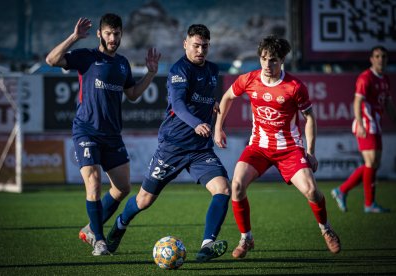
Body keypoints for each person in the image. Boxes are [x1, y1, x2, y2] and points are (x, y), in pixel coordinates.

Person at [105, 24, 231, 262]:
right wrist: (196, 122)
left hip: (200, 149)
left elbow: (211, 100)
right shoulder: (179, 70)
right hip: (172, 147)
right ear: (185, 44)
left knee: (223, 189)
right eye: (196, 45)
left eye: (204, 46)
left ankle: (207, 245)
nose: (200, 50)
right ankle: (120, 225)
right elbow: (180, 105)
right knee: (144, 200)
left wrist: (215, 117)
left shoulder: (213, 70)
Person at [214, 35, 341, 259]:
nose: (267, 65)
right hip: (259, 148)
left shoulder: (294, 87)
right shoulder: (249, 79)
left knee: (311, 191)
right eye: (263, 59)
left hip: (289, 149)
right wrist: (218, 128)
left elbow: (310, 118)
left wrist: (310, 151)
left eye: (272, 60)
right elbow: (226, 97)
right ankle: (246, 238)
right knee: (236, 186)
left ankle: (326, 229)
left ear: (282, 60)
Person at [45, 14, 161, 256]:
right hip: (86, 130)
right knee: (94, 183)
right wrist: (74, 37)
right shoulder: (87, 57)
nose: (112, 38)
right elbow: (51, 59)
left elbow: (132, 94)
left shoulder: (122, 63)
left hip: (112, 135)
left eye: (116, 34)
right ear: (99, 34)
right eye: (108, 33)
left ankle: (90, 228)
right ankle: (99, 239)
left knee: (122, 188)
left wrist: (150, 74)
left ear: (121, 35)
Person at [331, 46, 395, 213]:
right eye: (377, 56)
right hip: (366, 123)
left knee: (374, 164)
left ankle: (342, 191)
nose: (381, 59)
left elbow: (388, 104)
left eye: (384, 56)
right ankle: (368, 204)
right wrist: (360, 122)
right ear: (372, 59)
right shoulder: (365, 78)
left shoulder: (385, 79)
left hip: (376, 123)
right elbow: (357, 102)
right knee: (371, 162)